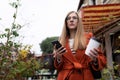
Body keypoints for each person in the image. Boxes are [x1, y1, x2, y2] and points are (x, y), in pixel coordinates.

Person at [53, 11, 106, 80]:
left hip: (85, 76)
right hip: (66, 77)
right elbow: (58, 67)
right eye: (68, 18)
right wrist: (59, 58)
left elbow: (103, 60)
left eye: (74, 18)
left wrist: (95, 59)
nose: (71, 20)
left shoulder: (88, 37)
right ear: (66, 23)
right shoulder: (61, 41)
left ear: (78, 22)